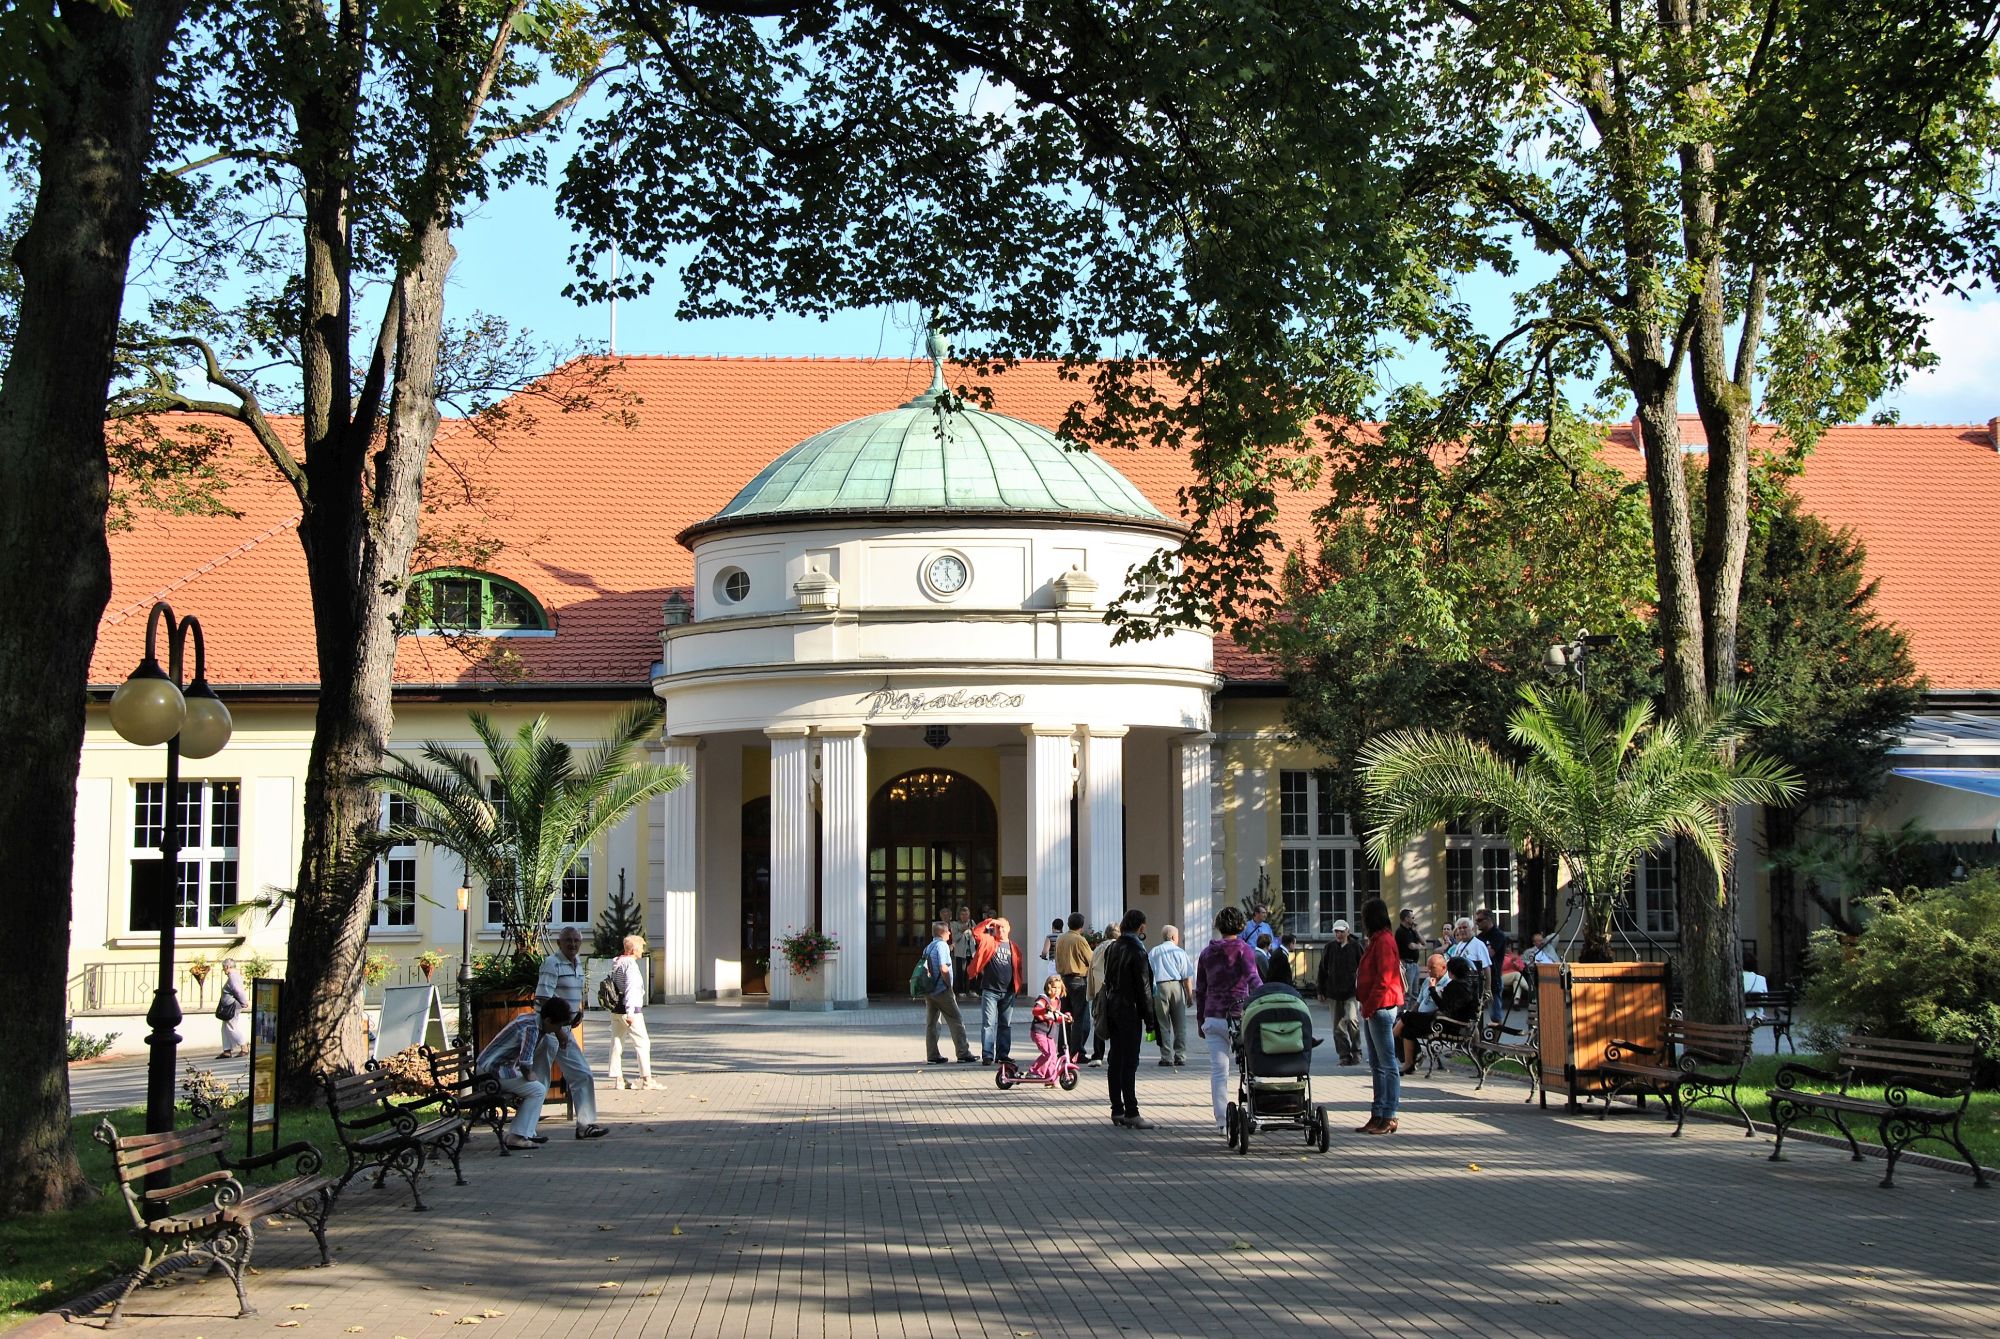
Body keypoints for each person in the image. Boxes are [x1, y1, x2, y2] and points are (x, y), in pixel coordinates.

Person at [1194, 905, 1263, 1132]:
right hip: (1239, 1015)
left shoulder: (1206, 953)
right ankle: (1256, 1112)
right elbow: (1253, 979)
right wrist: (1266, 997)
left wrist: (1200, 1021)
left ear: (1218, 926)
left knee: (1219, 1071)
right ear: (1241, 925)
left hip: (1213, 1015)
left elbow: (1200, 990)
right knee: (1251, 1066)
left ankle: (1223, 1122)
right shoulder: (1244, 950)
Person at [474, 996, 571, 1150]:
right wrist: (529, 1075)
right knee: (538, 1090)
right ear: (548, 1020)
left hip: (493, 1068)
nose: (558, 1029)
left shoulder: (532, 1020)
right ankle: (517, 1137)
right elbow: (525, 1062)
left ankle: (526, 1132)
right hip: (492, 1073)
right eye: (558, 1025)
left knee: (537, 1087)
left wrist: (559, 1032)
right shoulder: (532, 1029)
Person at [535, 925, 605, 1139]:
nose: (573, 944)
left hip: (565, 1028)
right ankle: (525, 1131)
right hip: (548, 1030)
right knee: (540, 1080)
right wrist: (557, 1030)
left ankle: (586, 1125)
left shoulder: (577, 963)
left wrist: (578, 1010)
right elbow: (543, 998)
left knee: (582, 1074)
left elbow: (575, 992)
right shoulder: (552, 963)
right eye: (568, 940)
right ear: (559, 943)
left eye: (576, 940)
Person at [1099, 908, 1156, 1128]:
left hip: (1113, 1007)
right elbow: (1144, 987)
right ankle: (1132, 1111)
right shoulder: (1137, 951)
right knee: (1129, 1061)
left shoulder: (1113, 947)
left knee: (1116, 1058)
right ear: (1141, 927)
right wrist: (1150, 1019)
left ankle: (1117, 1109)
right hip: (1129, 1010)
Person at [1354, 896, 1405, 1135]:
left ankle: (1389, 1113)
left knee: (1387, 1064)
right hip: (1373, 1007)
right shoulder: (1376, 940)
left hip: (1381, 1007)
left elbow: (1384, 979)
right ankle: (1378, 1112)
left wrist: (1370, 1006)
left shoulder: (1384, 941)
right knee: (1376, 1064)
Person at [605, 934, 659, 1090]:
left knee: (616, 1043)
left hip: (616, 1010)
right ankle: (647, 1080)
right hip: (631, 1010)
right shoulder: (630, 965)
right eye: (641, 947)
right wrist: (630, 1012)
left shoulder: (617, 963)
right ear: (634, 949)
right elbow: (631, 989)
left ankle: (618, 1080)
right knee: (643, 1043)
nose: (642, 950)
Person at [969, 915, 1022, 1064]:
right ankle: (987, 1055)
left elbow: (1018, 969)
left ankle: (1002, 1054)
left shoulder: (1014, 947)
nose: (1000, 930)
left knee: (1005, 1025)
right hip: (990, 990)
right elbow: (976, 932)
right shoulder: (989, 941)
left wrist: (1017, 987)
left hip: (1008, 992)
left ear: (1009, 928)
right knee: (988, 1024)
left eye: (1003, 927)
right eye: (998, 927)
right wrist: (990, 921)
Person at [922, 921, 975, 1064]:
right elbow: (943, 968)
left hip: (929, 990)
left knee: (932, 1023)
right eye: (948, 931)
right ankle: (963, 1053)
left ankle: (932, 1055)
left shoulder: (928, 947)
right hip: (942, 990)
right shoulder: (942, 945)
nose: (950, 933)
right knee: (956, 1020)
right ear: (943, 933)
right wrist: (949, 986)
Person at [1314, 920, 1363, 1065]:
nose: (1338, 934)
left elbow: (1364, 969)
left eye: (1341, 931)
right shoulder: (1330, 947)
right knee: (1337, 1026)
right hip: (1334, 991)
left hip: (1351, 991)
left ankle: (1356, 1052)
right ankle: (1344, 1055)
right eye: (1336, 931)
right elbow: (1322, 969)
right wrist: (1320, 990)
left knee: (1352, 1020)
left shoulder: (1356, 946)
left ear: (1348, 931)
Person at [1394, 953, 1450, 1072]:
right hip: (1420, 1019)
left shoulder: (1448, 983)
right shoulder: (1428, 980)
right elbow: (1418, 1002)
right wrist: (1412, 1012)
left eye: (1432, 968)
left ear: (1444, 967)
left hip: (1435, 1021)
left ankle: (1388, 1045)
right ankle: (1409, 1061)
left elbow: (1444, 1007)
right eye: (1428, 968)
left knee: (1405, 1020)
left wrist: (1411, 1015)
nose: (1429, 971)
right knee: (1404, 1025)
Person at [1147, 924, 1193, 1066]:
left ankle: (1166, 1056)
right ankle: (1180, 1055)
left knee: (1163, 1023)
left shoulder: (1154, 952)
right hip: (1176, 986)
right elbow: (1186, 977)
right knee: (1180, 1024)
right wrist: (1189, 996)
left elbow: (1149, 973)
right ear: (1173, 937)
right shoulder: (1180, 952)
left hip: (1160, 987)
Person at [1054, 912, 1094, 1061]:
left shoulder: (1061, 938)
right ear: (1081, 926)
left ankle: (1062, 1050)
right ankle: (1077, 1052)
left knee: (1065, 1017)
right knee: (1079, 1019)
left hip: (1063, 980)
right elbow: (1091, 959)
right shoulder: (1079, 940)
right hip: (1078, 980)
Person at [1086, 921, 1119, 1065]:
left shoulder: (1099, 948)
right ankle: (1115, 1054)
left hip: (1100, 988)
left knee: (1099, 1020)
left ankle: (1098, 1055)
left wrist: (1091, 992)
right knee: (1116, 1022)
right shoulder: (1120, 947)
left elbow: (1091, 970)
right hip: (1116, 989)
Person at [1028, 975, 1072, 1080]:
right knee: (1048, 1053)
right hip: (1039, 1031)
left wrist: (1065, 1018)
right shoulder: (1043, 999)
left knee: (1053, 1056)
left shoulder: (1057, 1001)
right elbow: (1035, 1011)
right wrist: (1045, 1010)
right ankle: (1034, 1071)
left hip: (1050, 1033)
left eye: (1059, 988)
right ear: (1048, 987)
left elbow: (1055, 1018)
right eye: (1054, 987)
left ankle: (1050, 1078)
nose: (1056, 990)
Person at [1473, 907, 1509, 1021]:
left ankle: (1496, 1032)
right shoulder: (1479, 937)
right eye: (1476, 921)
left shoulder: (1498, 935)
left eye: (1479, 920)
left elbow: (1489, 954)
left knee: (1495, 1014)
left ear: (1488, 920)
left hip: (1493, 977)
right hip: (1479, 979)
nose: (1477, 923)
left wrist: (1480, 950)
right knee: (1476, 1014)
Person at [215, 958, 250, 1058]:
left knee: (231, 1027)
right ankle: (227, 1050)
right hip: (229, 1006)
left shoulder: (233, 976)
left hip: (232, 1006)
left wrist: (243, 1002)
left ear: (227, 967)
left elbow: (238, 991)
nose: (223, 970)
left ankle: (244, 1046)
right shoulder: (234, 976)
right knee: (225, 1028)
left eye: (223, 968)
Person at [1394, 908, 1425, 997]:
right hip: (1406, 964)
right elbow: (1411, 946)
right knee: (1407, 992)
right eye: (1412, 917)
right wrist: (1420, 947)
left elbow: (1423, 942)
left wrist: (1416, 931)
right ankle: (1405, 1006)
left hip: (1414, 964)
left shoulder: (1412, 930)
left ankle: (1413, 1006)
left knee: (1415, 992)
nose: (1414, 920)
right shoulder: (1401, 931)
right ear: (1406, 918)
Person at [950, 904, 976, 999]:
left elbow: (976, 935)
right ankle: (961, 991)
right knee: (961, 972)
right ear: (959, 915)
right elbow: (954, 938)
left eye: (966, 914)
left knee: (972, 971)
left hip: (971, 952)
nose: (965, 916)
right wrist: (962, 931)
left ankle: (972, 990)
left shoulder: (972, 922)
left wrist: (973, 930)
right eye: (962, 914)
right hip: (961, 952)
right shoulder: (954, 924)